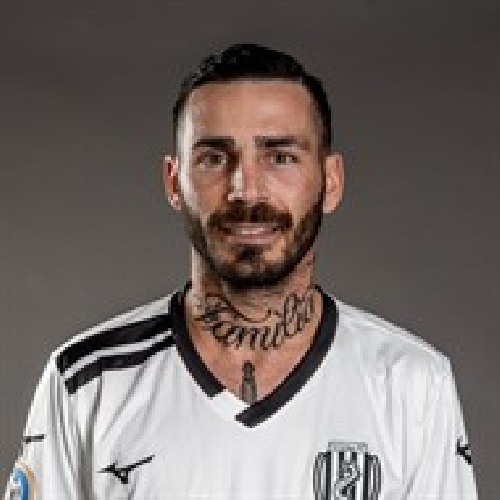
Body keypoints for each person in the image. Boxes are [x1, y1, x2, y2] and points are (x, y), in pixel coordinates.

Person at [4, 43, 478, 500]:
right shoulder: (87, 382)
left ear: (331, 182)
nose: (246, 190)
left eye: (280, 157)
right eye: (214, 158)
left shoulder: (412, 383)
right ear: (174, 182)